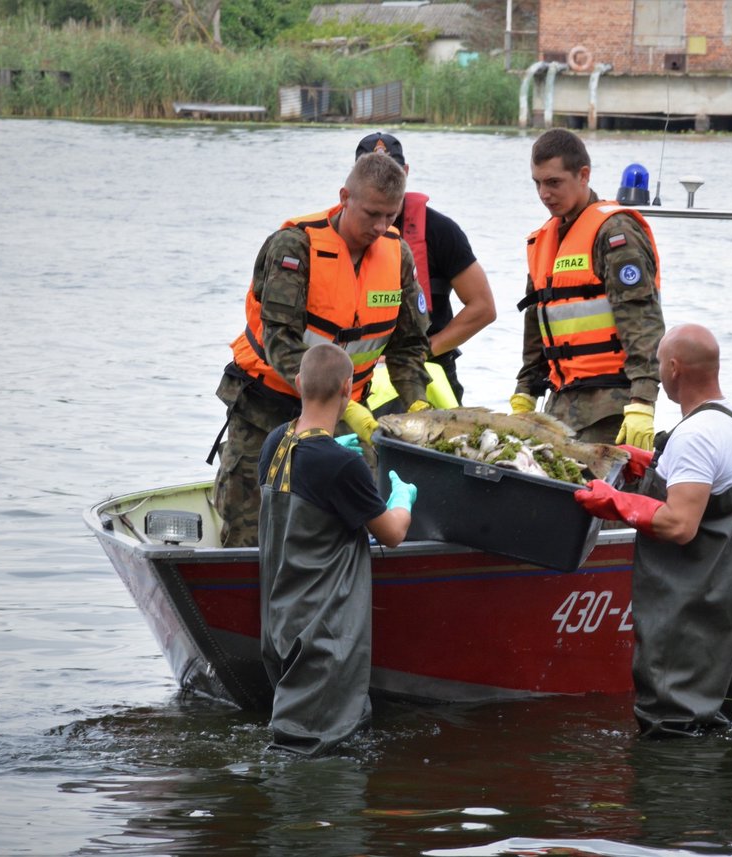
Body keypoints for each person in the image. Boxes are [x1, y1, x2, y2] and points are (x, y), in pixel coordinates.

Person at [210, 152, 432, 548]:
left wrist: (417, 403)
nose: (380, 226)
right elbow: (280, 342)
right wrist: (337, 403)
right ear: (345, 197)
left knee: (354, 525)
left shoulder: (397, 255)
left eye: (390, 216)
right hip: (267, 408)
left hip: (343, 415)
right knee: (249, 530)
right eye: (371, 214)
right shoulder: (295, 247)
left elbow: (409, 347)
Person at [573, 323, 732, 736]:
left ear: (674, 368)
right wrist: (655, 464)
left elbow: (680, 524)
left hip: (690, 611)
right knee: (711, 722)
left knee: (672, 726)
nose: (658, 374)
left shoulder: (695, 435)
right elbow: (711, 486)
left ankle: (672, 780)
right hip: (729, 604)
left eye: (660, 363)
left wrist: (613, 500)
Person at [258, 342, 416, 756]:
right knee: (311, 749)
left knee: (302, 731)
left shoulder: (275, 442)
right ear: (349, 389)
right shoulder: (342, 464)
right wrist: (403, 499)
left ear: (298, 383)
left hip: (280, 622)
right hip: (323, 632)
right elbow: (392, 533)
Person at [512, 128, 665, 449]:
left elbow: (642, 320)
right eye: (537, 183)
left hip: (611, 407)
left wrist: (642, 401)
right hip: (560, 407)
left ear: (583, 175)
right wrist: (525, 392)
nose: (544, 193)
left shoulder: (615, 233)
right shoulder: (543, 240)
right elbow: (537, 324)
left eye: (553, 182)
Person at [354, 132, 496, 407]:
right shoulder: (337, 233)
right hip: (359, 375)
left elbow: (483, 308)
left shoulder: (441, 231)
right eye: (370, 174)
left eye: (391, 173)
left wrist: (424, 352)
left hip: (428, 371)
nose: (382, 183)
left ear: (406, 172)